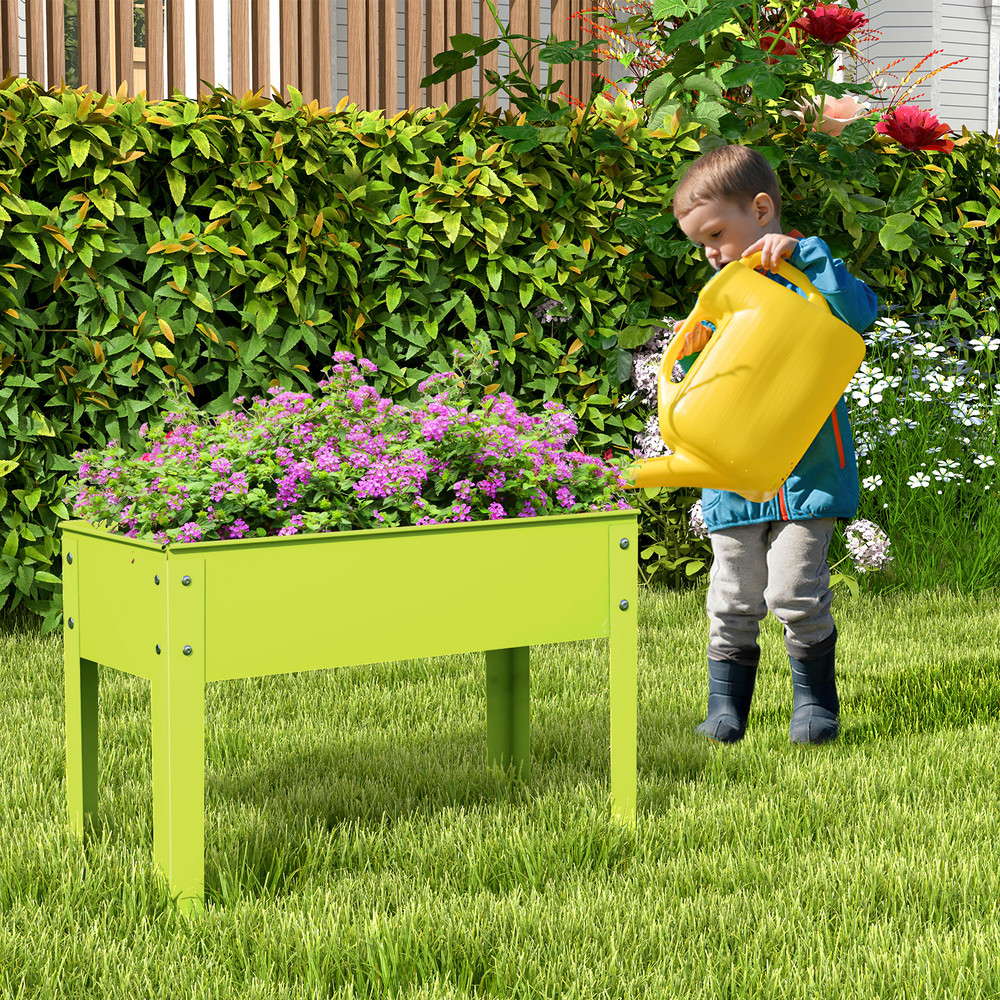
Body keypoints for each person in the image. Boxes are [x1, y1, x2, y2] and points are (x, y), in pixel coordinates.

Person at [671, 144, 878, 745]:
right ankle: (725, 707)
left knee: (794, 593)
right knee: (732, 598)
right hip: (733, 479)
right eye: (700, 244)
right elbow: (700, 385)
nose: (711, 253)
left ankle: (814, 703)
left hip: (809, 479)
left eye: (716, 234)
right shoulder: (721, 300)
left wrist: (807, 254)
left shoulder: (812, 275)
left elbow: (859, 313)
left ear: (761, 210)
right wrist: (689, 362)